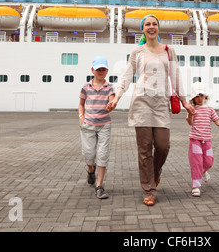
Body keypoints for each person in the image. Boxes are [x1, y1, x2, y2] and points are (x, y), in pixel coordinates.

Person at [106, 14, 194, 206]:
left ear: (158, 28)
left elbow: (175, 76)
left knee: (163, 146)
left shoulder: (169, 51)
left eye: (154, 24)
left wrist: (185, 101)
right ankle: (149, 188)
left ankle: (155, 173)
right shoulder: (137, 51)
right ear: (143, 29)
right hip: (142, 102)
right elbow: (127, 75)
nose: (151, 27)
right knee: (144, 149)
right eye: (147, 24)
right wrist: (117, 96)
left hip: (161, 103)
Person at [186, 82, 219, 197]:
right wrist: (191, 114)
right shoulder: (192, 109)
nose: (200, 98)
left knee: (209, 161)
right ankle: (196, 186)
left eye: (201, 95)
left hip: (207, 140)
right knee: (197, 163)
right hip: (195, 140)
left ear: (205, 96)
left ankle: (203, 172)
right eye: (197, 96)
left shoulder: (210, 110)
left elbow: (217, 122)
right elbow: (190, 123)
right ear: (193, 97)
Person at [79, 56, 115, 199]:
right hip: (88, 125)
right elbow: (81, 104)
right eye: (98, 69)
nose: (100, 71)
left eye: (103, 69)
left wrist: (111, 105)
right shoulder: (85, 87)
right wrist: (81, 117)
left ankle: (99, 185)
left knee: (102, 154)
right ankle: (90, 170)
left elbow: (112, 100)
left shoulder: (110, 87)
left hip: (104, 125)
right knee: (88, 153)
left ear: (106, 71)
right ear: (92, 70)